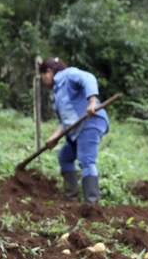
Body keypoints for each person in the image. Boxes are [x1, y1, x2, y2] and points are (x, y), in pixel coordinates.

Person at [39, 57, 109, 204]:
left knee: (86, 160)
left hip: (91, 121)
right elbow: (65, 121)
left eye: (42, 77)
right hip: (76, 129)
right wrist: (54, 137)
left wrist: (92, 102)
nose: (43, 81)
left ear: (48, 72)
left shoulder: (68, 74)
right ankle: (70, 197)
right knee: (65, 157)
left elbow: (88, 78)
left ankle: (91, 203)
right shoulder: (57, 93)